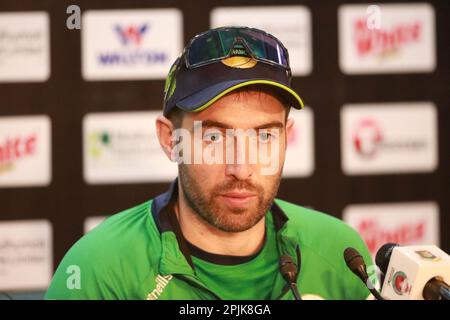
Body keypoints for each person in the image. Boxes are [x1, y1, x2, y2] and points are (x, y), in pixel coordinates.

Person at [45, 26, 373, 300]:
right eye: (213, 137)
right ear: (169, 139)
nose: (241, 168)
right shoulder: (97, 270)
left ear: (287, 137)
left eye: (264, 137)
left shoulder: (342, 253)